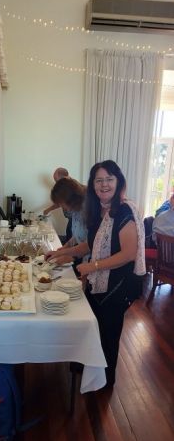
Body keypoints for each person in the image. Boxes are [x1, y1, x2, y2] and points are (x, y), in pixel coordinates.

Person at [76, 160, 145, 388]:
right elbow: (91, 244)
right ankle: (89, 371)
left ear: (118, 182)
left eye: (109, 179)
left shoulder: (124, 210)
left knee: (108, 334)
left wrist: (92, 266)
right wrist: (65, 253)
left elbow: (128, 254)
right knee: (93, 329)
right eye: (99, 180)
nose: (104, 184)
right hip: (99, 283)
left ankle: (105, 383)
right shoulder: (100, 211)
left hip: (117, 285)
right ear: (92, 185)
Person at [45, 177, 89, 266]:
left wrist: (68, 255)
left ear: (71, 200)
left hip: (91, 262)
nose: (61, 207)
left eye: (61, 203)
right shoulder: (76, 210)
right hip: (84, 260)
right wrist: (63, 248)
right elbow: (77, 236)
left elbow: (90, 244)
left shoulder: (89, 210)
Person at [43, 167, 72, 243]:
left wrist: (48, 210)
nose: (56, 183)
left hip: (74, 220)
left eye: (56, 180)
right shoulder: (67, 185)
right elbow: (60, 202)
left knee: (70, 242)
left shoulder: (70, 186)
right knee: (68, 241)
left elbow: (60, 202)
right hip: (71, 220)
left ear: (64, 177)